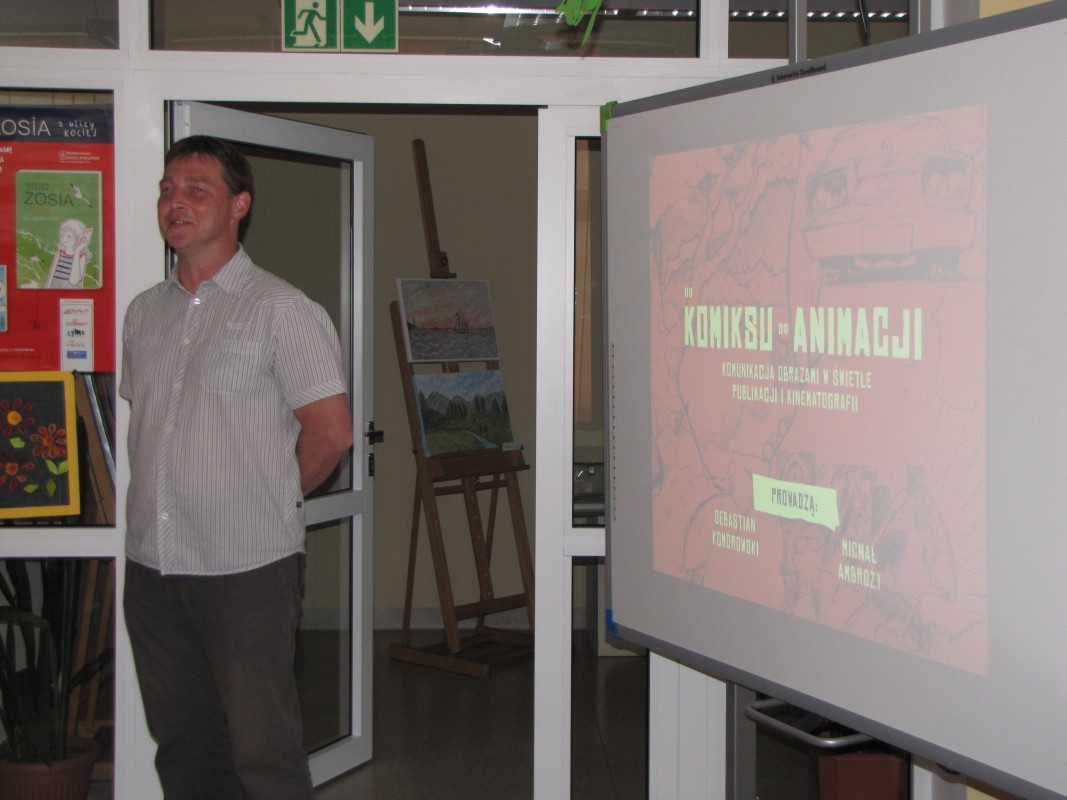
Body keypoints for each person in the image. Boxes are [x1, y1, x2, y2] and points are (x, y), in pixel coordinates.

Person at [120, 135, 354, 800]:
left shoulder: (283, 310)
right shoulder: (143, 313)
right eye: (168, 189)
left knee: (263, 752)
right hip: (154, 567)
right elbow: (153, 428)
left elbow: (332, 435)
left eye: (197, 190)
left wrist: (267, 495)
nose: (176, 202)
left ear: (239, 206)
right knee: (184, 746)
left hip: (246, 570)